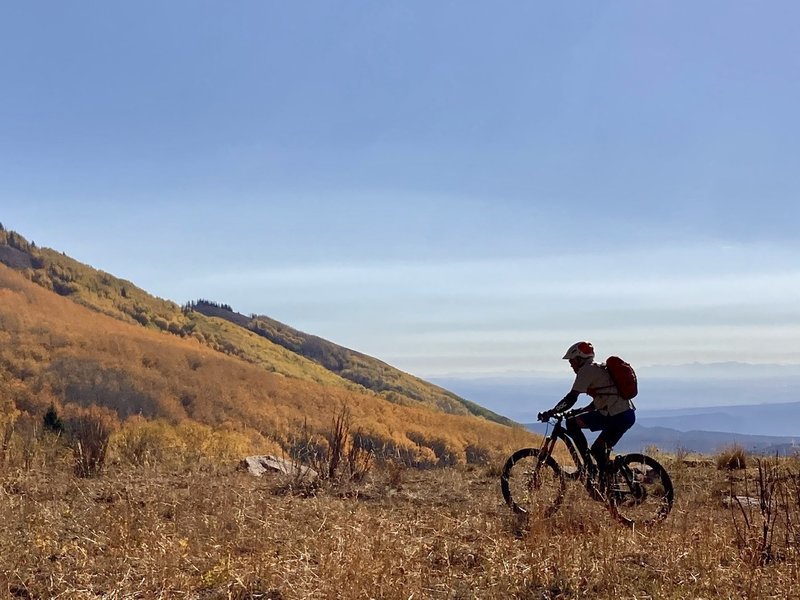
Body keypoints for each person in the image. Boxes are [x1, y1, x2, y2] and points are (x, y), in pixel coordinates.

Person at [538, 341, 636, 479]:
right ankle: (603, 478)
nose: (571, 365)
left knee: (574, 426)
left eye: (572, 361)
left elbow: (571, 398)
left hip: (616, 416)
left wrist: (551, 412)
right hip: (624, 414)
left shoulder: (586, 371)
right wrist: (579, 411)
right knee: (594, 445)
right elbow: (602, 400)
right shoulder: (597, 369)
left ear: (579, 358)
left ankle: (590, 469)